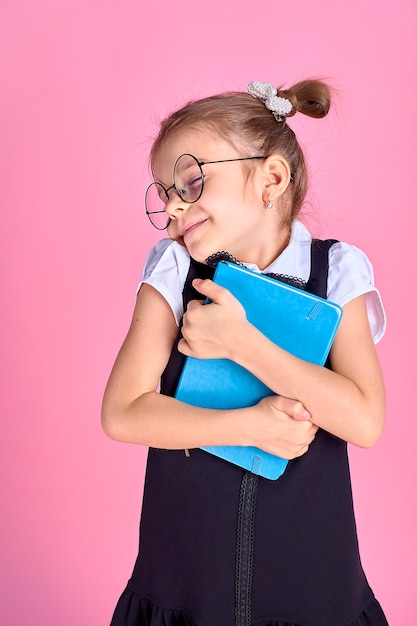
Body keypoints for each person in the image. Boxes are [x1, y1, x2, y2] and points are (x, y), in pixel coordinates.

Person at [102, 79, 389, 626]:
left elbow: (365, 419)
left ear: (271, 178)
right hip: (186, 581)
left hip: (313, 587)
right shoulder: (173, 270)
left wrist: (242, 343)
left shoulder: (337, 273)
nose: (176, 207)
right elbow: (122, 411)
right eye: (164, 194)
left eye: (191, 182)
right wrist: (247, 426)